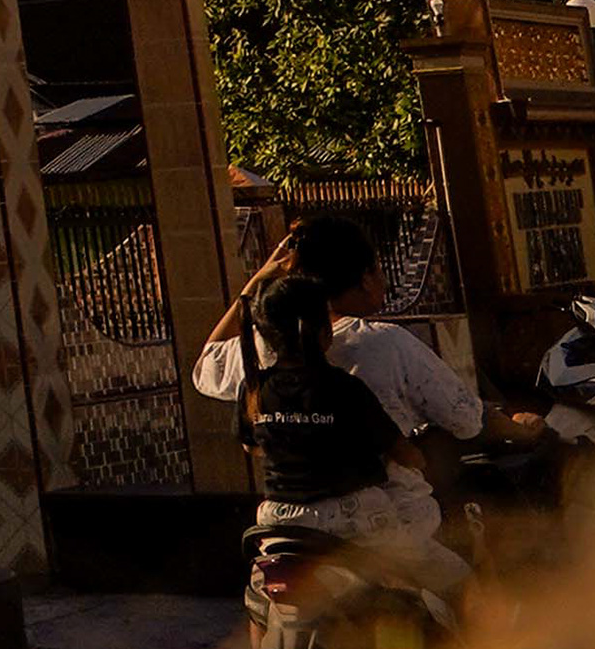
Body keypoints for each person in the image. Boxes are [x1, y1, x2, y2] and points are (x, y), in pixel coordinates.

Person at [202, 216, 482, 605]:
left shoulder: (256, 362)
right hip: (376, 523)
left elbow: (208, 368)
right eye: (379, 269)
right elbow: (465, 422)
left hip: (281, 525)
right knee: (464, 587)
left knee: (260, 603)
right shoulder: (380, 351)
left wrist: (259, 279)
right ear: (366, 277)